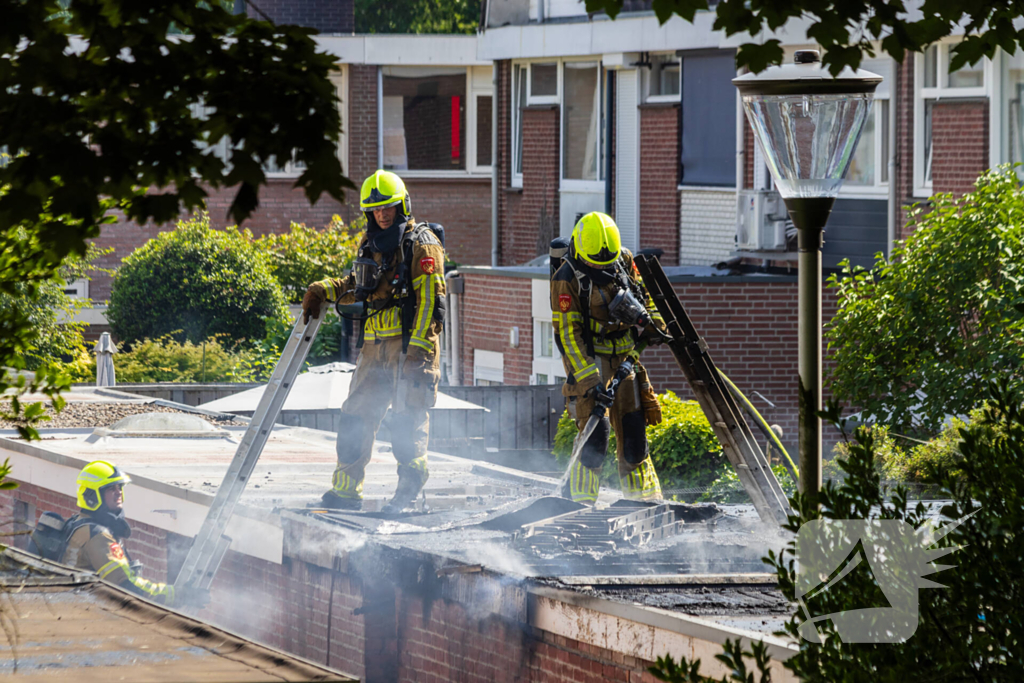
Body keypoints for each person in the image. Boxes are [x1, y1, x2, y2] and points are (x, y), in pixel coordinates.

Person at [302, 170, 445, 513]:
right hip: (373, 346)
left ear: (402, 206)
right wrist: (326, 288)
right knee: (354, 417)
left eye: (388, 208)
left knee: (406, 423)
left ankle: (407, 495)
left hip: (409, 348)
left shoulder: (422, 244)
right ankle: (346, 492)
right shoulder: (371, 242)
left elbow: (430, 303)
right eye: (376, 209)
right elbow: (361, 281)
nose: (382, 214)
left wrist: (418, 354)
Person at [551, 212, 667, 504]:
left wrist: (653, 323)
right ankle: (579, 503)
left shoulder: (623, 260)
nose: (601, 269)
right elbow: (568, 335)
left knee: (634, 437)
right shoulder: (567, 279)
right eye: (594, 264)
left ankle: (645, 501)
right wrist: (590, 381)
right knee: (595, 437)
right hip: (592, 360)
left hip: (627, 358)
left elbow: (645, 298)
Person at [61, 460, 176, 604]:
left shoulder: (79, 523)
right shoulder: (98, 536)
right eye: (111, 489)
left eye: (119, 487)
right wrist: (173, 594)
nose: (118, 492)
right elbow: (125, 585)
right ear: (93, 495)